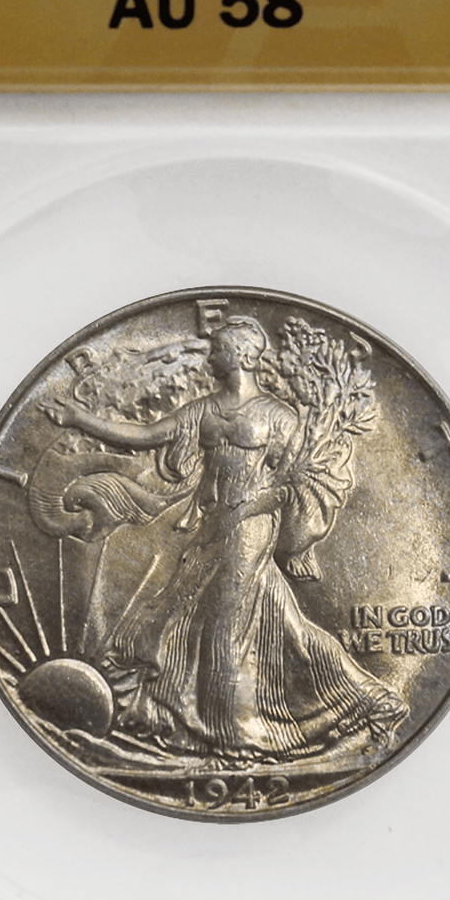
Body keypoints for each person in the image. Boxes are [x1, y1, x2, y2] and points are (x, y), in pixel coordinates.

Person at [39, 315, 406, 761]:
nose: (211, 355)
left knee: (225, 628)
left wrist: (255, 505)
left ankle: (237, 735)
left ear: (244, 355)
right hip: (211, 527)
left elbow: (297, 482)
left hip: (250, 529)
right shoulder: (203, 410)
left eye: (220, 348)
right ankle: (353, 700)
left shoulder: (278, 416)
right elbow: (145, 436)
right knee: (266, 622)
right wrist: (80, 419)